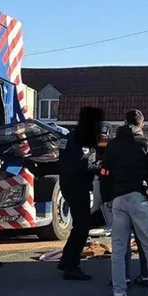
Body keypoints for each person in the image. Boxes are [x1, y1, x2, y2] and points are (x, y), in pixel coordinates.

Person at [100, 109, 148, 296]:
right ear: (142, 124)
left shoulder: (113, 145)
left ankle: (119, 291)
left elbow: (105, 172)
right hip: (139, 198)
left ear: (124, 122)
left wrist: (107, 196)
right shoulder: (147, 144)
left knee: (118, 248)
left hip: (118, 199)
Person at [57, 106, 105, 281]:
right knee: (82, 227)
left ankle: (65, 259)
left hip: (70, 185)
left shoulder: (72, 137)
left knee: (79, 225)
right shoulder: (79, 140)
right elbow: (83, 165)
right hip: (77, 187)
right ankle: (72, 266)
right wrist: (103, 168)